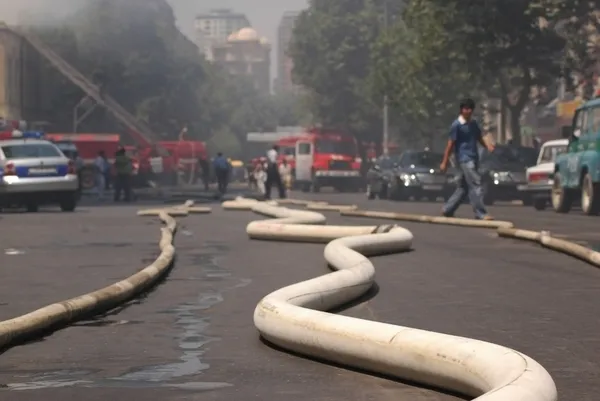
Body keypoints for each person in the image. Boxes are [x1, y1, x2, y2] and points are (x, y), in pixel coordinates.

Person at [440, 98, 494, 220]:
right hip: (464, 159)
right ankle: (480, 213)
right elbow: (450, 144)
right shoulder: (457, 125)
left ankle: (448, 209)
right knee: (475, 183)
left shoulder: (473, 124)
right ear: (461, 110)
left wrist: (488, 146)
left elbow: (479, 137)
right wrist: (444, 162)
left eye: (470, 109)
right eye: (465, 109)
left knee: (463, 187)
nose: (468, 111)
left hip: (474, 157)